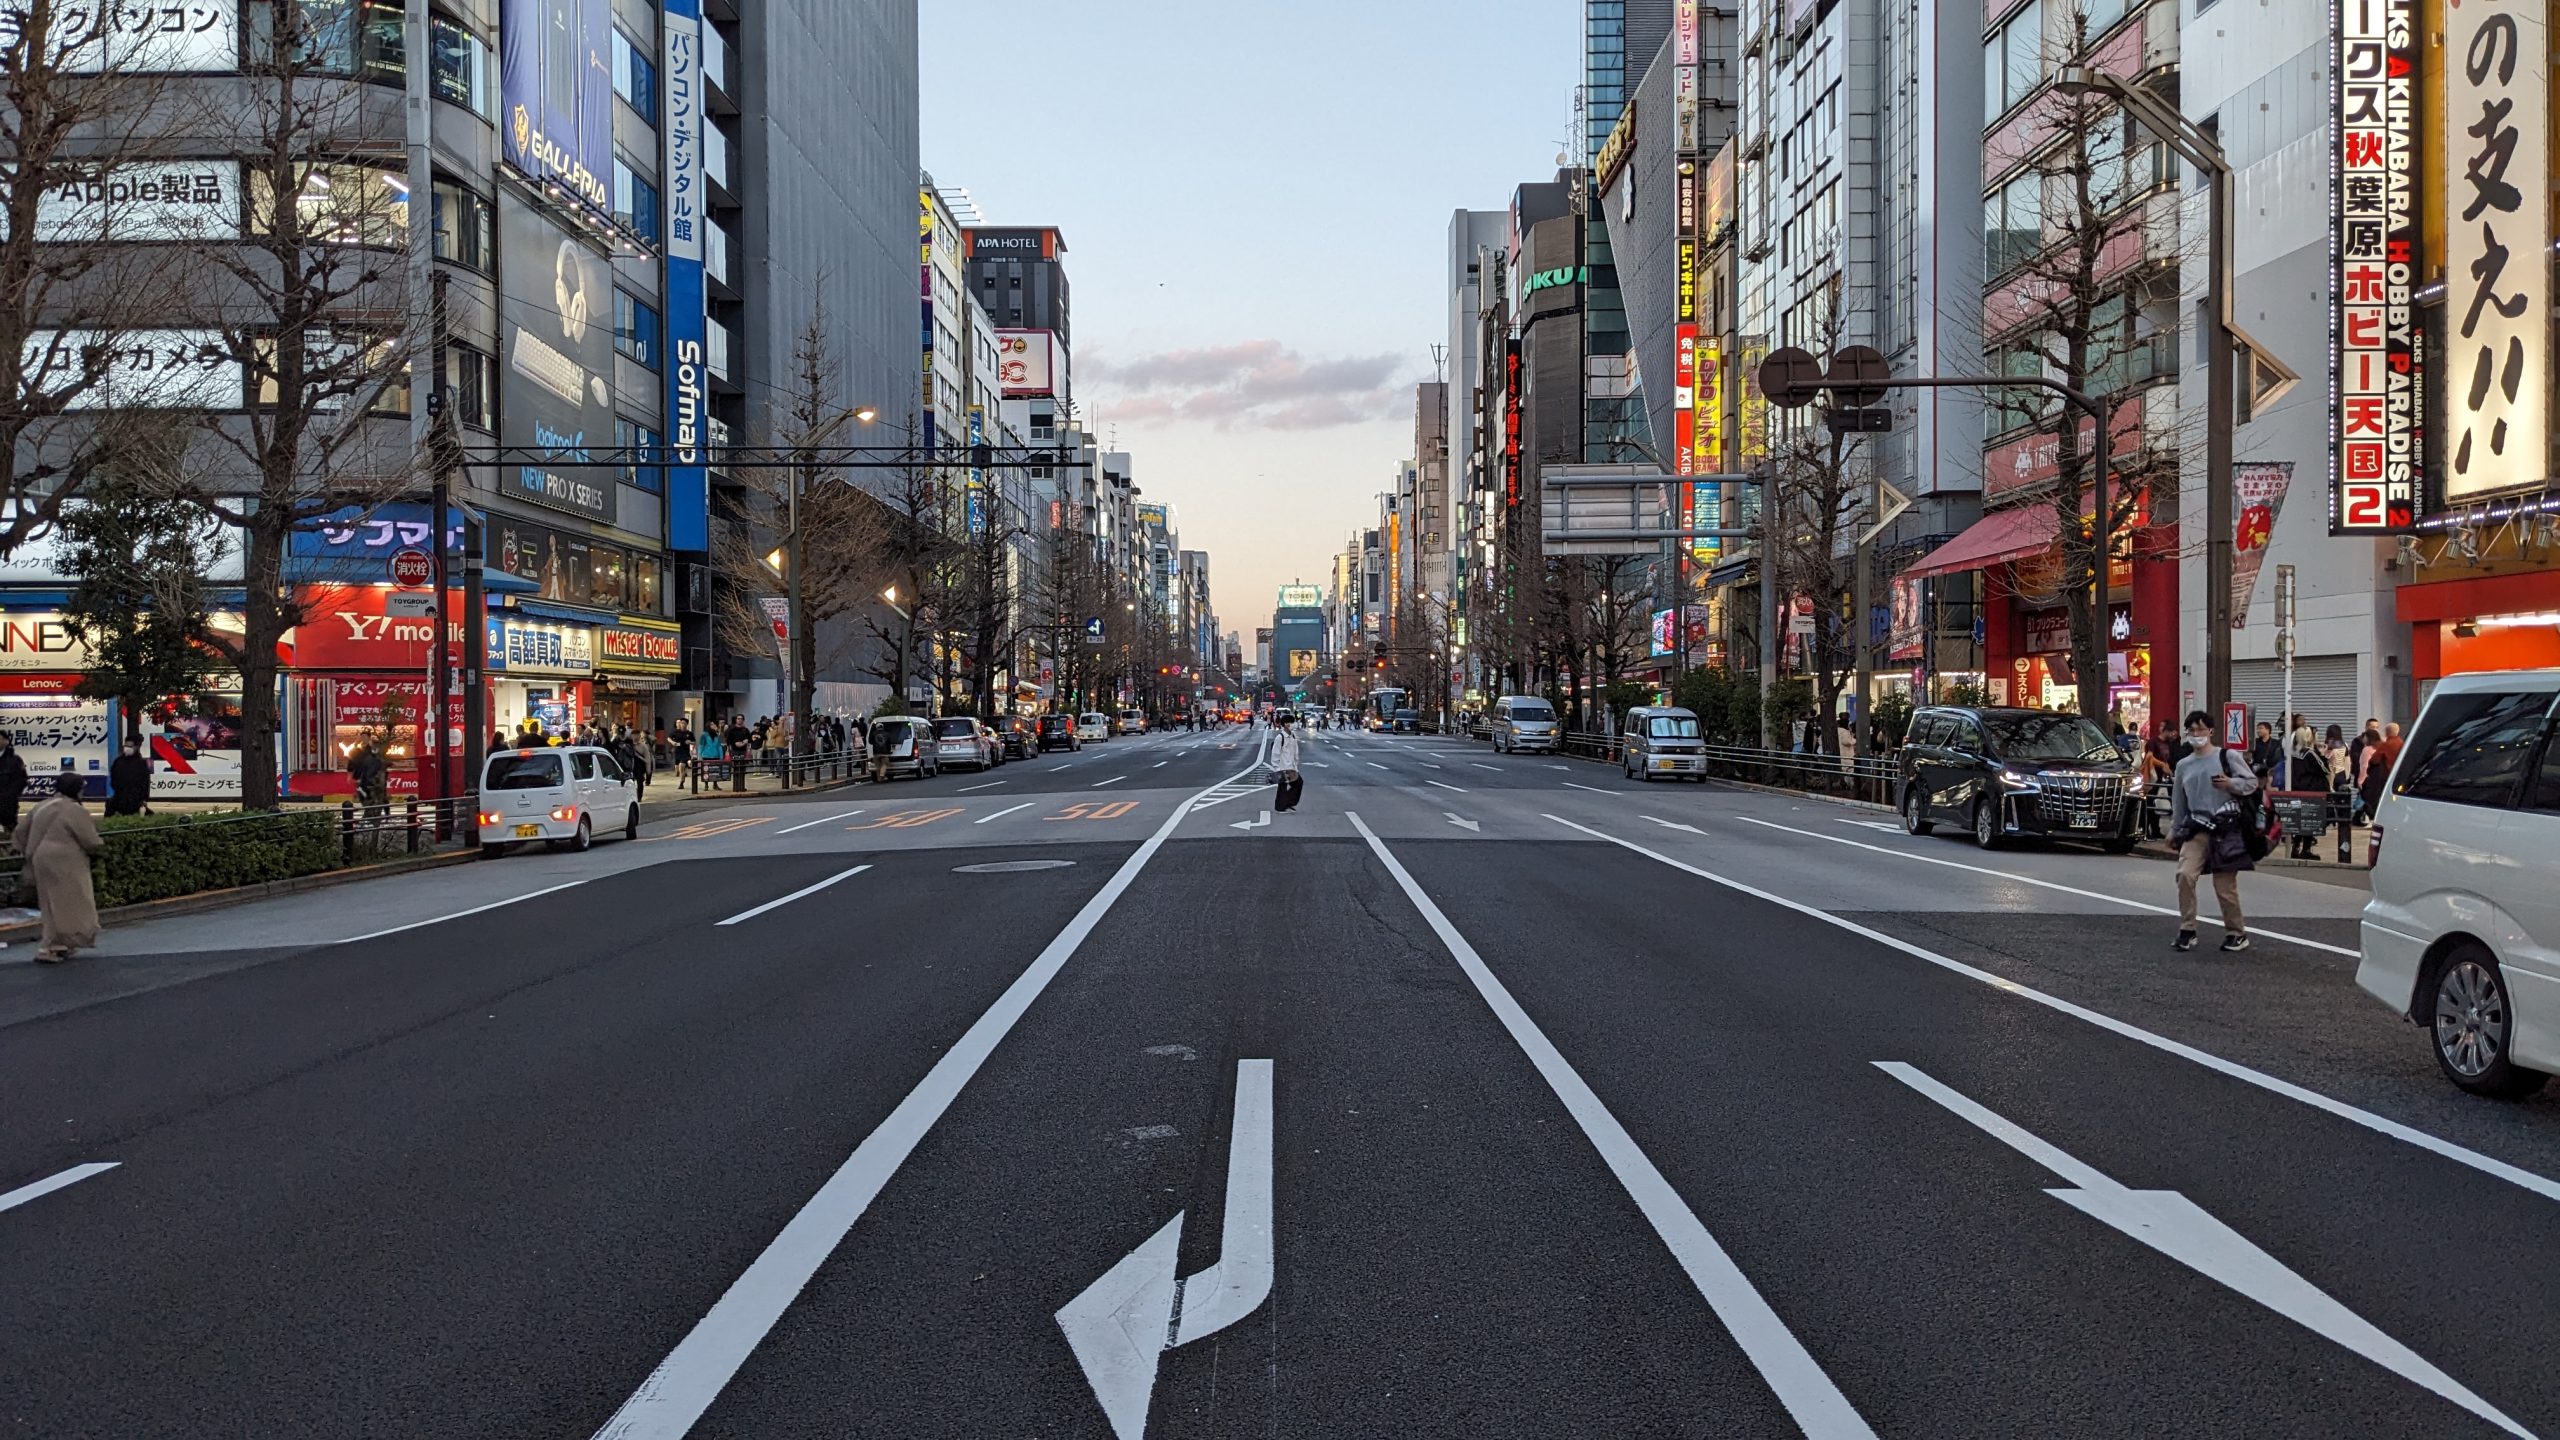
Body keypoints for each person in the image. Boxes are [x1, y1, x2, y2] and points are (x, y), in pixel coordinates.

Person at [2167, 709, 2256, 952]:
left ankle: (2236, 932)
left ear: (2211, 731)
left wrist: (2230, 784)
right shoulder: (2184, 765)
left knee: (2224, 886)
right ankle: (2187, 928)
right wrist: (2174, 830)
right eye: (2192, 730)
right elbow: (2179, 801)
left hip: (2225, 828)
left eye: (2201, 729)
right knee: (2185, 874)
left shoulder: (2227, 756)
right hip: (2196, 827)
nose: (2196, 734)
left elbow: (2251, 782)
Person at [19, 772, 102, 963]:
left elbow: (20, 832)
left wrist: (29, 851)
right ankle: (51, 945)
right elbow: (90, 840)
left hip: (40, 859)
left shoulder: (41, 806)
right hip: (66, 861)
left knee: (50, 904)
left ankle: (59, 944)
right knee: (72, 903)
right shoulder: (74, 810)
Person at [2358, 720, 2403, 819]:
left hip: (2386, 776)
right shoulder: (2402, 743)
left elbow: (2374, 759)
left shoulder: (2386, 745)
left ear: (2387, 732)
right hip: (2399, 776)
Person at [1267, 709, 1303, 813]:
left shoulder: (1293, 736)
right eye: (1291, 723)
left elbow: (1295, 752)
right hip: (1283, 767)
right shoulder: (1280, 737)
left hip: (1291, 767)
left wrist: (1296, 766)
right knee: (1282, 788)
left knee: (1298, 784)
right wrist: (1277, 768)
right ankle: (1281, 806)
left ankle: (1287, 803)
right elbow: (1275, 754)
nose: (1293, 725)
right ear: (1285, 724)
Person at [104, 738, 150, 817]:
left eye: (130, 746)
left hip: (135, 799)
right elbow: (113, 778)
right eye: (126, 746)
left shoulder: (141, 763)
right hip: (120, 797)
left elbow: (145, 782)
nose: (127, 748)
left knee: (132, 817)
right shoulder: (118, 761)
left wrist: (144, 798)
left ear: (136, 747)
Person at [0, 733, 30, 837]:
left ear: (6, 741)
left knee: (11, 833)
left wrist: (9, 795)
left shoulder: (15, 760)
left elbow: (22, 780)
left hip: (8, 805)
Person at [725, 714, 752, 792]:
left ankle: (742, 785)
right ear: (736, 720)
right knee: (736, 768)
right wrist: (734, 744)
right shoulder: (732, 730)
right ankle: (736, 786)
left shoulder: (745, 730)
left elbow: (749, 740)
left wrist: (745, 744)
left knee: (742, 768)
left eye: (741, 719)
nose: (740, 720)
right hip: (734, 750)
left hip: (743, 750)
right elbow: (728, 741)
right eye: (738, 718)